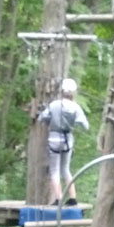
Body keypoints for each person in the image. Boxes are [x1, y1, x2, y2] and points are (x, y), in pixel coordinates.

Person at [38, 77, 89, 205]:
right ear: (73, 93)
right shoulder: (75, 107)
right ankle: (73, 198)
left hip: (54, 139)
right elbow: (85, 125)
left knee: (54, 170)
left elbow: (42, 117)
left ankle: (58, 199)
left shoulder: (54, 105)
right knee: (65, 169)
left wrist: (50, 117)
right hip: (68, 140)